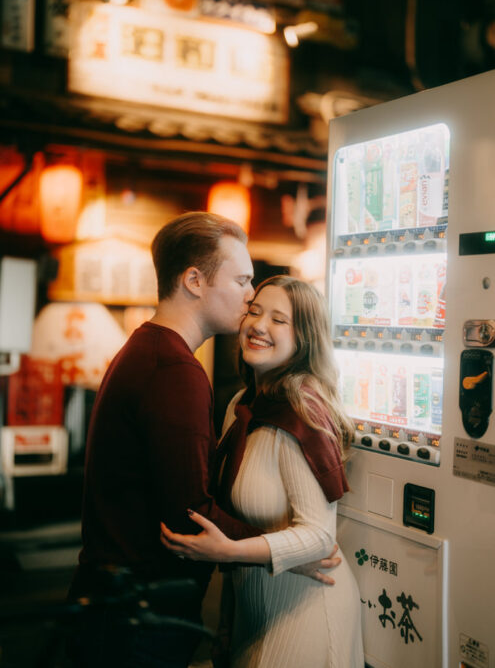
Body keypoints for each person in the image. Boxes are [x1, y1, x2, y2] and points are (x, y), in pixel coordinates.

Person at [68, 214, 340, 668]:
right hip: (138, 611)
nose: (250, 295)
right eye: (241, 279)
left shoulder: (147, 349)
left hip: (117, 601)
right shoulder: (175, 371)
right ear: (194, 280)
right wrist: (284, 553)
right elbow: (189, 513)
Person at [161, 275, 365, 668]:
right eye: (254, 311)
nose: (258, 326)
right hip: (253, 619)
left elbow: (320, 536)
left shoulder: (301, 412)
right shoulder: (242, 404)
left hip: (306, 614)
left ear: (304, 337)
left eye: (278, 319)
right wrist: (226, 625)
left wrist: (229, 551)